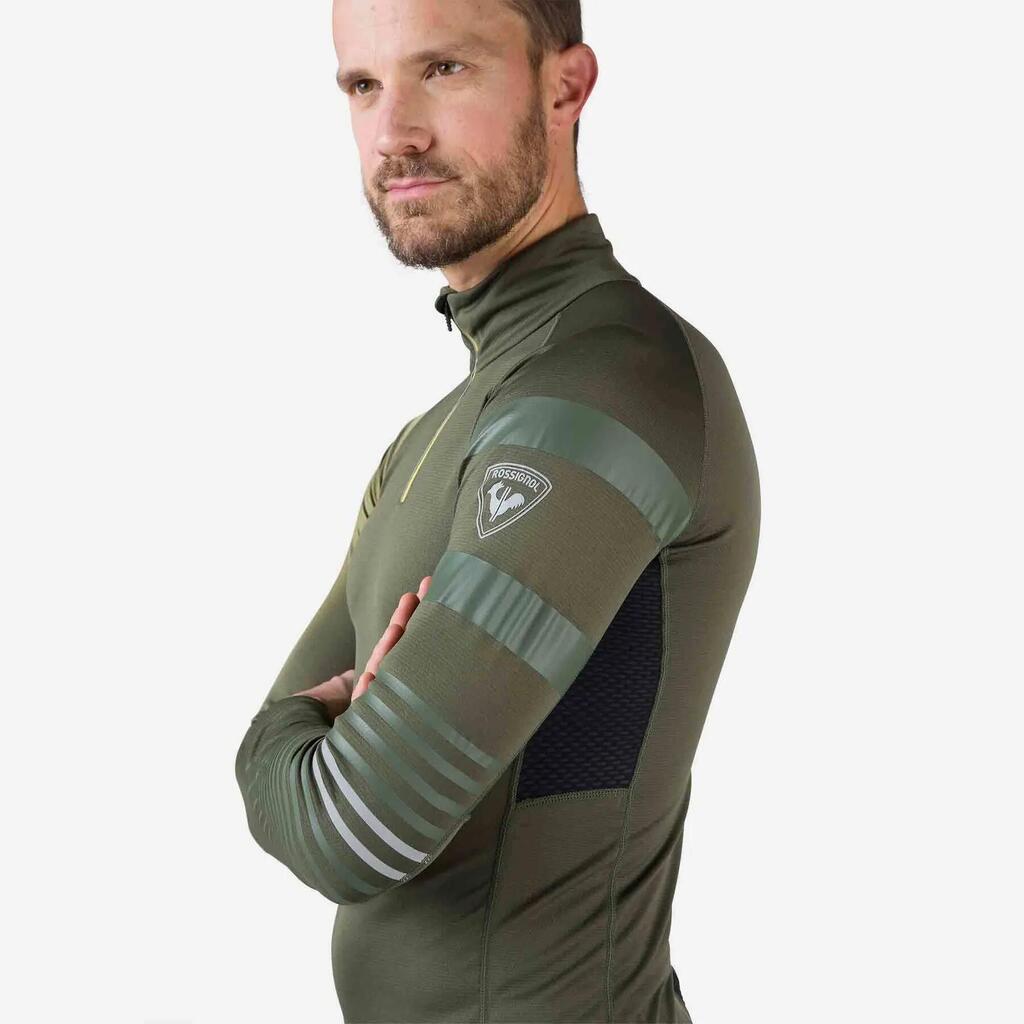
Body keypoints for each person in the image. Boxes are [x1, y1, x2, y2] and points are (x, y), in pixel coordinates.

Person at [233, 0, 760, 1020]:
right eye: (363, 85)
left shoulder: (610, 387)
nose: (394, 133)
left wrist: (294, 736)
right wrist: (291, 738)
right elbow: (285, 770)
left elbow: (351, 829)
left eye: (444, 69)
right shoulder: (439, 432)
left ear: (566, 86)